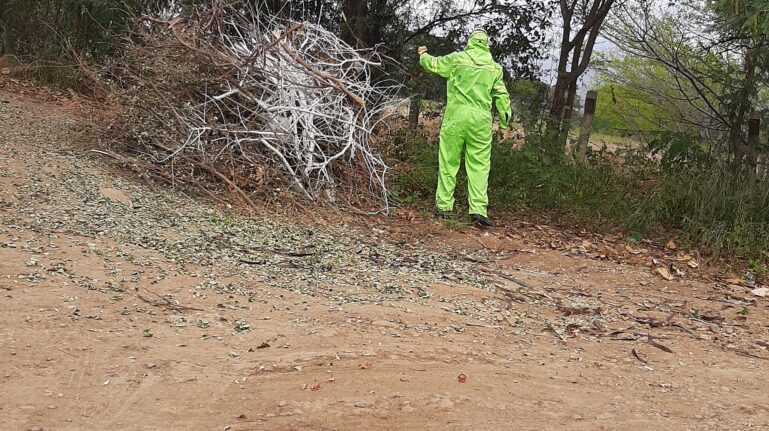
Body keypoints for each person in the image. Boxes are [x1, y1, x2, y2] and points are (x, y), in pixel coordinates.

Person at [418, 29, 511, 227]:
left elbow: (433, 64)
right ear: (486, 44)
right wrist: (504, 124)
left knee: (449, 162)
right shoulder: (495, 68)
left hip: (456, 116)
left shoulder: (457, 59)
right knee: (479, 166)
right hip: (481, 120)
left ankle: (444, 207)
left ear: (470, 42)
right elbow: (502, 97)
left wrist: (423, 55)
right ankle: (478, 211)